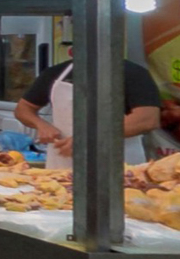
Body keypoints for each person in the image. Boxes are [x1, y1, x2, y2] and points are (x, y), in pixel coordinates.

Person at [14, 47, 161, 169]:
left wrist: (89, 138)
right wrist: (41, 125)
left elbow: (148, 119)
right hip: (63, 162)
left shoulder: (133, 73)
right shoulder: (56, 73)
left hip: (118, 162)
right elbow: (23, 109)